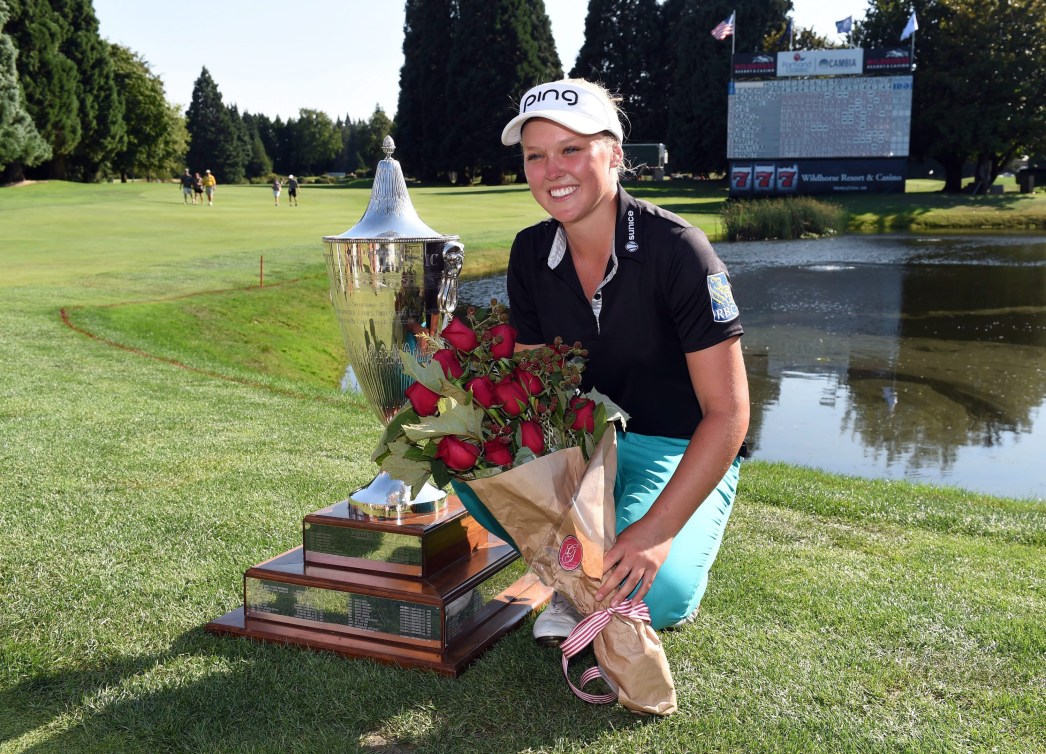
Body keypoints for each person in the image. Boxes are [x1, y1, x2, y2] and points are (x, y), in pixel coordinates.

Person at [477, 78, 750, 645]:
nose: (553, 170)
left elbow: (728, 415)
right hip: (585, 447)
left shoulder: (680, 250)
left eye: (571, 149)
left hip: (675, 449)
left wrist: (656, 532)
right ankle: (574, 571)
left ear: (616, 154)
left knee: (662, 592)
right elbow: (538, 393)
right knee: (472, 480)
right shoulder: (530, 251)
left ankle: (588, 567)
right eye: (536, 156)